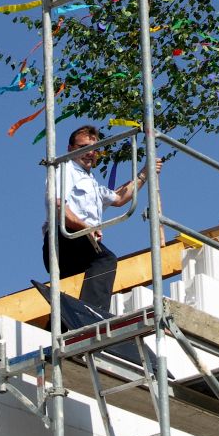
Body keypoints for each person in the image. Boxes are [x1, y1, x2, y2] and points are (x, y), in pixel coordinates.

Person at [42, 124, 162, 312]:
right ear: (70, 149)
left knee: (72, 292)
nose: (90, 153)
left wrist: (145, 174)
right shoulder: (64, 169)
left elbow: (120, 197)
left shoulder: (91, 182)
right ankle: (92, 312)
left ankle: (68, 324)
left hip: (79, 242)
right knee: (105, 260)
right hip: (65, 239)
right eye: (84, 148)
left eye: (94, 149)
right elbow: (59, 208)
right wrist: (85, 228)